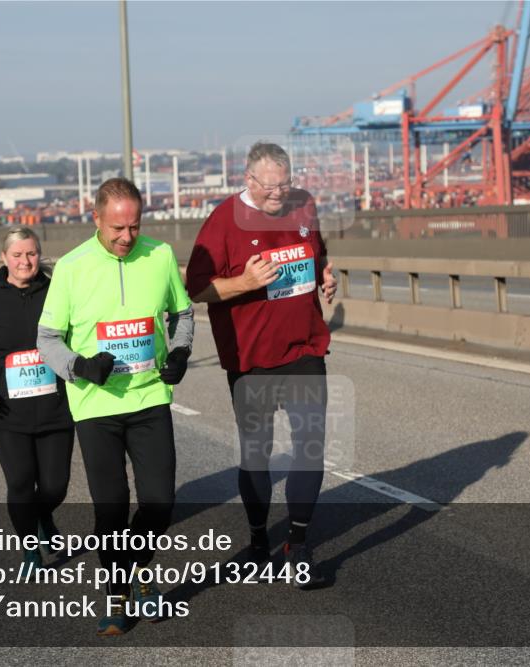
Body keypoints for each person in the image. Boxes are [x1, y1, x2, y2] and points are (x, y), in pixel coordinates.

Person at [37, 177, 194, 636]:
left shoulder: (159, 255)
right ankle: (119, 593)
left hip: (149, 398)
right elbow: (47, 340)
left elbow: (181, 314)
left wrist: (180, 353)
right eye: (116, 229)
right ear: (96, 220)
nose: (126, 237)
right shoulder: (71, 266)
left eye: (134, 226)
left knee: (160, 502)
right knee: (111, 509)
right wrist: (81, 367)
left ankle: (137, 567)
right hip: (95, 405)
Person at [185, 141, 338, 588]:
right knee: (258, 454)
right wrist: (245, 282)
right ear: (248, 181)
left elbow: (318, 253)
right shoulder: (222, 222)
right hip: (251, 360)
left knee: (310, 444)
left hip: (305, 349)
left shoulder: (304, 206)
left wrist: (326, 274)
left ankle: (298, 543)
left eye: (285, 185)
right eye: (270, 188)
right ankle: (257, 541)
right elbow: (198, 290)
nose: (278, 195)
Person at [0, 227, 74, 570]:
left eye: (31, 253)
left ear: (40, 255)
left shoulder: (58, 294)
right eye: (17, 255)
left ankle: (43, 515)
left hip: (56, 409)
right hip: (5, 412)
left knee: (55, 486)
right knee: (20, 482)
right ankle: (30, 549)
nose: (25, 261)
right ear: (4, 258)